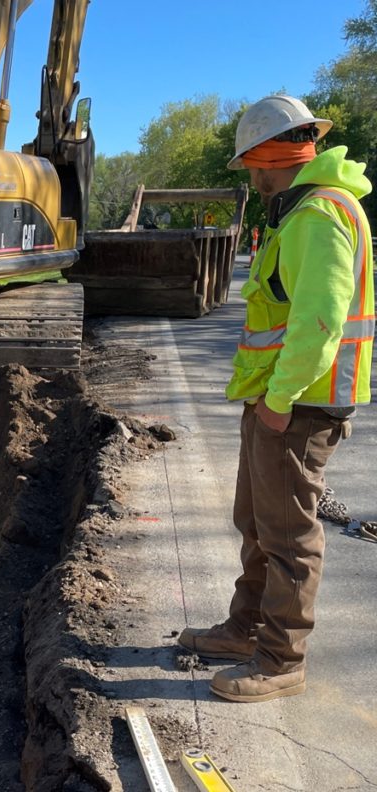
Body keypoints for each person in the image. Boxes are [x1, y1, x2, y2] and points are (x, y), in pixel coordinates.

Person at [178, 94, 374, 702]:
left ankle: (281, 658)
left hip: (300, 404)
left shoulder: (317, 217)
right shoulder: (304, 211)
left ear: (267, 158)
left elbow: (320, 322)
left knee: (288, 534)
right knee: (258, 521)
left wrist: (281, 399)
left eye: (251, 165)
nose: (252, 178)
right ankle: (246, 629)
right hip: (279, 399)